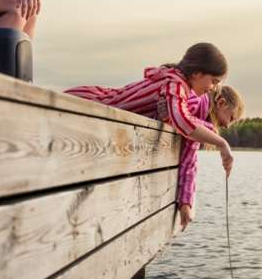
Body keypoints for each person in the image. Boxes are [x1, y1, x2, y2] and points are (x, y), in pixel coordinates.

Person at [64, 42, 235, 177]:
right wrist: (221, 143)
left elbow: (179, 118)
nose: (213, 88)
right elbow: (182, 121)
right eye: (213, 81)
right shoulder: (174, 84)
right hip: (85, 103)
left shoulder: (177, 84)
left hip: (93, 108)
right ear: (197, 73)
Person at [177, 85, 245, 230]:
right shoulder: (196, 100)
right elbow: (180, 117)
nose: (227, 125)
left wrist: (186, 203)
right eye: (230, 117)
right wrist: (216, 136)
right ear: (220, 103)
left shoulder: (199, 116)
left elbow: (190, 162)